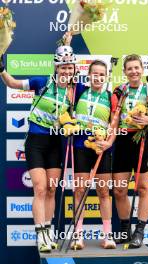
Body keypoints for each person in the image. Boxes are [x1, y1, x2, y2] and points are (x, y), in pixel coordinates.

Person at [0, 45, 77, 253]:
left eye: (70, 68)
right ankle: (40, 235)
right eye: (63, 68)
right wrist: (1, 69)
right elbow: (13, 84)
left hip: (55, 144)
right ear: (56, 68)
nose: (66, 72)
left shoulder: (74, 91)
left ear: (74, 70)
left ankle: (49, 232)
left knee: (52, 190)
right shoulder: (42, 82)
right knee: (40, 189)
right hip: (35, 142)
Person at [97, 54, 148, 248]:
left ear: (142, 69)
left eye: (137, 68)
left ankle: (139, 231)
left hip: (142, 139)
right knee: (119, 190)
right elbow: (115, 120)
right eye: (130, 69)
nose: (134, 71)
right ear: (124, 72)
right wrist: (109, 141)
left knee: (143, 187)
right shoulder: (120, 91)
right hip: (124, 141)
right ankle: (125, 231)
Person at [69, 59, 116, 250]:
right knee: (79, 190)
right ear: (88, 75)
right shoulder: (79, 89)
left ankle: (108, 236)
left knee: (103, 192)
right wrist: (67, 43)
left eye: (101, 74)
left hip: (102, 149)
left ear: (105, 77)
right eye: (94, 73)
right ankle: (78, 237)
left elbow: (114, 125)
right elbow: (67, 71)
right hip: (81, 145)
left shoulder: (110, 96)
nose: (98, 77)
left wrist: (108, 143)